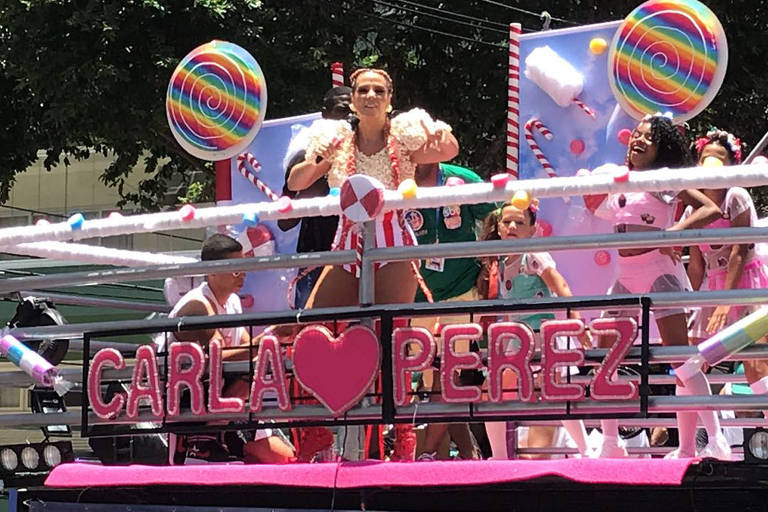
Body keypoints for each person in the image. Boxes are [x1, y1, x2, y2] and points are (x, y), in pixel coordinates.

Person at [287, 68, 458, 462]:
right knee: (310, 330)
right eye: (362, 89)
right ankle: (316, 434)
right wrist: (319, 157)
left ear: (389, 98)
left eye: (377, 90)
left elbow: (448, 150)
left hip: (393, 246)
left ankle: (400, 436)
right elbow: (297, 182)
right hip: (348, 245)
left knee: (393, 341)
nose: (369, 95)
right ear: (352, 100)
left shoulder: (404, 136)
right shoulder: (334, 138)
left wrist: (435, 131)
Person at [583, 114, 730, 459]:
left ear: (661, 148)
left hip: (659, 273)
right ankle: (609, 442)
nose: (639, 140)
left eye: (648, 137)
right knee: (605, 357)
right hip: (625, 275)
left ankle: (716, 438)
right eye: (636, 134)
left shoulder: (664, 180)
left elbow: (711, 207)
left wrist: (675, 234)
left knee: (681, 360)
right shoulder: (620, 179)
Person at [476, 198, 592, 460]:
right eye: (507, 222)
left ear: (532, 228)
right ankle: (500, 457)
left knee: (556, 393)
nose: (513, 226)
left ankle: (587, 450)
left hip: (543, 337)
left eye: (520, 221)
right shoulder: (502, 262)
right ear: (499, 227)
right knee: (492, 390)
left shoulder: (534, 255)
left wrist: (577, 323)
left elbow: (561, 287)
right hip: (517, 340)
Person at [166, 233, 295, 464]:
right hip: (188, 396)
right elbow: (221, 359)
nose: (243, 273)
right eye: (236, 268)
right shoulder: (198, 305)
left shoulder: (232, 302)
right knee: (250, 370)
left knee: (286, 458)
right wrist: (271, 337)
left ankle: (220, 435)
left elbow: (244, 350)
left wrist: (269, 342)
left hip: (219, 394)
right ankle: (206, 437)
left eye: (243, 266)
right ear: (212, 270)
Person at [407, 162, 496, 461]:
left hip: (460, 289)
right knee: (420, 377)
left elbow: (492, 218)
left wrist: (488, 264)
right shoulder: (397, 178)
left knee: (449, 373)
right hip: (414, 296)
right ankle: (462, 452)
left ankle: (428, 452)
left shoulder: (462, 178)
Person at [686, 129, 768, 422]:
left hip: (745, 280)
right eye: (706, 158)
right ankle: (704, 438)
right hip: (714, 285)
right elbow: (696, 263)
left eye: (719, 159)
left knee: (754, 360)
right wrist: (690, 304)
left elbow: (739, 252)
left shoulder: (736, 196)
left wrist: (725, 302)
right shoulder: (691, 206)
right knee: (692, 360)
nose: (712, 164)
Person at [278, 86, 351, 308]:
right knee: (311, 326)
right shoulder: (307, 149)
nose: (348, 117)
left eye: (353, 111)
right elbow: (285, 221)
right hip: (317, 254)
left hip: (358, 255)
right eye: (342, 110)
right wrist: (325, 163)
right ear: (325, 113)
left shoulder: (367, 147)